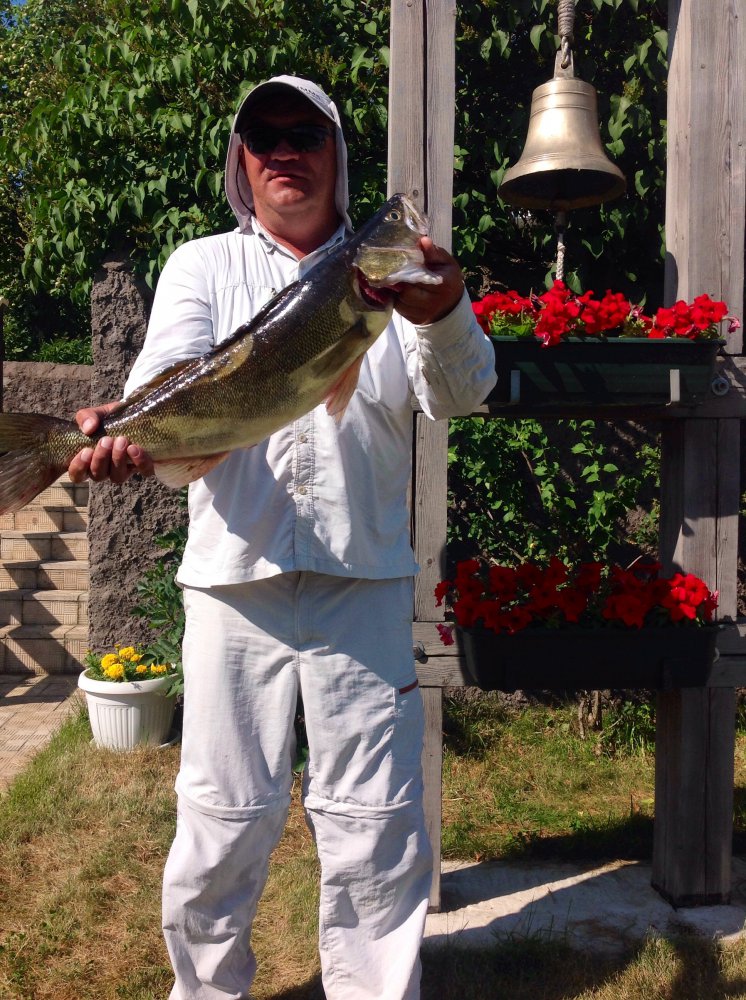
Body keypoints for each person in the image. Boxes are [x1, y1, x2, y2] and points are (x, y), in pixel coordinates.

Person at [70, 76, 497, 1000]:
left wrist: (443, 312)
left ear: (337, 154)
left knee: (378, 824)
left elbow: (463, 393)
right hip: (234, 586)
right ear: (241, 161)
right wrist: (128, 439)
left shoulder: (396, 282)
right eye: (263, 136)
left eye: (305, 132)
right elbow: (164, 398)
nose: (284, 151)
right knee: (220, 820)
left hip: (363, 583)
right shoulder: (201, 266)